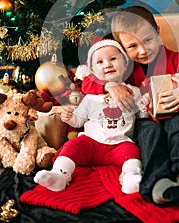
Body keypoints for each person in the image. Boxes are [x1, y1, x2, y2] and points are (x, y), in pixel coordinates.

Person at [81, 5, 179, 205]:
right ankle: (158, 181)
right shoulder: (123, 66)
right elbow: (86, 83)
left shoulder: (176, 60)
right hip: (143, 121)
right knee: (149, 132)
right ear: (121, 47)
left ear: (157, 32)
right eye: (132, 46)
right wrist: (110, 85)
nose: (142, 50)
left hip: (176, 115)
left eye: (148, 40)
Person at [34, 39, 150, 194]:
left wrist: (147, 103)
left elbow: (143, 112)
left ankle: (130, 177)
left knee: (133, 153)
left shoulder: (133, 92)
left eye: (113, 59)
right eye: (100, 62)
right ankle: (59, 175)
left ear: (125, 64)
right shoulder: (90, 96)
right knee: (71, 147)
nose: (107, 64)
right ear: (93, 70)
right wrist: (69, 117)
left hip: (119, 144)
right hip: (91, 143)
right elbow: (79, 120)